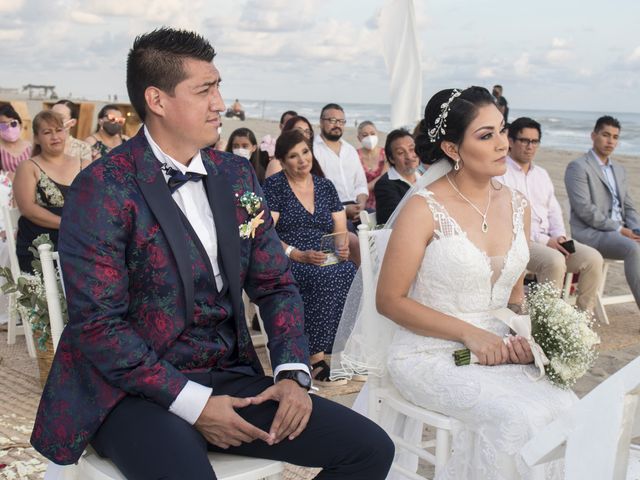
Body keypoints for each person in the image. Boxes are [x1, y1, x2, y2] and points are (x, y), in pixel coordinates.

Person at [30, 28, 393, 480]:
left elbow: (276, 284)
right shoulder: (101, 187)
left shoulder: (237, 175)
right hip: (126, 391)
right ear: (157, 101)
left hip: (227, 373)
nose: (220, 103)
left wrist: (293, 373)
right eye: (205, 90)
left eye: (218, 86)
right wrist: (195, 405)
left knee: (370, 449)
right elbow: (99, 325)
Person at [335, 86, 576, 479]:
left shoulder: (519, 206)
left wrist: (524, 339)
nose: (503, 144)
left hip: (497, 347)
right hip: (428, 351)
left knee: (567, 409)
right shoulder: (422, 209)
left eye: (502, 130)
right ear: (452, 148)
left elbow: (516, 298)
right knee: (515, 417)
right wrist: (470, 334)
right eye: (486, 136)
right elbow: (390, 301)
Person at [264, 130, 356, 386]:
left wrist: (342, 247)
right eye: (294, 156)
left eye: (305, 152)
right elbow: (266, 233)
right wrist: (296, 254)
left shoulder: (325, 186)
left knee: (349, 271)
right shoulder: (275, 186)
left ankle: (337, 350)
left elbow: (339, 227)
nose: (302, 159)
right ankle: (314, 358)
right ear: (282, 162)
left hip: (322, 253)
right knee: (320, 276)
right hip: (289, 253)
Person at [498, 117, 603, 314]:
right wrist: (547, 241)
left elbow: (554, 211)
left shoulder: (542, 174)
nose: (530, 146)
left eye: (535, 141)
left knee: (593, 258)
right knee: (554, 260)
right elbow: (511, 220)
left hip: (551, 241)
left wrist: (560, 237)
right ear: (510, 142)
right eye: (524, 140)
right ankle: (546, 322)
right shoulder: (501, 173)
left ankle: (582, 319)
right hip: (519, 241)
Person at [565, 116, 640, 310]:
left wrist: (636, 229)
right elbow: (584, 210)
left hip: (621, 233)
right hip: (592, 234)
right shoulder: (578, 167)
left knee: (635, 243)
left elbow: (629, 206)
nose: (610, 141)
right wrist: (620, 230)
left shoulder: (620, 170)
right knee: (633, 249)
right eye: (606, 135)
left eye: (615, 137)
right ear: (593, 135)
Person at [13, 110, 87, 272]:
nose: (55, 136)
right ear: (37, 138)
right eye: (47, 132)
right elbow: (27, 208)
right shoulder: (28, 167)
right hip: (40, 243)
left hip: (79, 238)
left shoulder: (84, 164)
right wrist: (66, 225)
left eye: (59, 130)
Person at [313, 103, 368, 225]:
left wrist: (361, 205)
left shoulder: (350, 150)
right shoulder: (313, 150)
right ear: (321, 122)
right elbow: (315, 192)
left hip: (357, 207)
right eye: (332, 120)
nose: (337, 125)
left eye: (341, 121)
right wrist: (344, 210)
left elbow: (361, 184)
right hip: (329, 211)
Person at [373, 129, 421, 225]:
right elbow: (392, 220)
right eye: (401, 152)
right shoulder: (384, 185)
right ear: (391, 159)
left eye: (412, 149)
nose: (409, 156)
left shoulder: (423, 176)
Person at [356, 121, 387, 210]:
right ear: (359, 138)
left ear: (377, 134)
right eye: (365, 135)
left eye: (372, 134)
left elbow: (384, 177)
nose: (369, 137)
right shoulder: (354, 155)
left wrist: (363, 189)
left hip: (382, 200)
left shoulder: (385, 154)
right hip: (361, 203)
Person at [51, 100, 92, 164]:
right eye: (51, 116)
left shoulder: (82, 148)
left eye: (60, 117)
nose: (54, 120)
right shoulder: (42, 144)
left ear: (72, 122)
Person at [0, 103, 32, 178]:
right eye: (3, 126)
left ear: (20, 125)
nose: (9, 128)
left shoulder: (30, 148)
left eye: (13, 123)